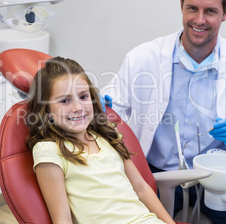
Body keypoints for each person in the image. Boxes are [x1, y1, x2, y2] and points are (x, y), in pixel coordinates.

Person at [103, 0, 226, 223]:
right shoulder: (143, 58)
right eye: (192, 8)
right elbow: (111, 106)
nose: (199, 20)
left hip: (218, 179)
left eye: (210, 11)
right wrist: (103, 112)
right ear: (181, 5)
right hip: (154, 174)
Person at [26, 56, 175, 224]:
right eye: (65, 101)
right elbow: (62, 219)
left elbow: (141, 188)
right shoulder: (49, 150)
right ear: (46, 111)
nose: (78, 108)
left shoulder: (108, 136)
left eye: (83, 97)